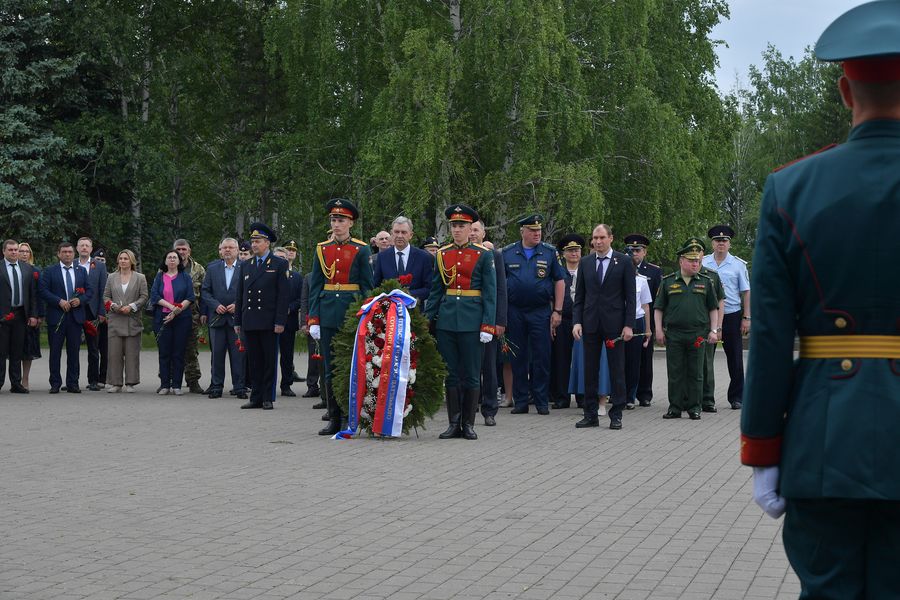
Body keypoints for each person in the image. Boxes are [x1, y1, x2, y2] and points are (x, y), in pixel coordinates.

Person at [743, 3, 900, 595]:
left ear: (844, 90)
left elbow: (771, 334)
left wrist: (762, 449)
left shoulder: (792, 187)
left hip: (823, 442)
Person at [425, 204, 497, 440]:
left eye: (462, 226)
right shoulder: (442, 254)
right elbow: (436, 291)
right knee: (452, 374)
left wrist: (488, 324)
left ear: (470, 228)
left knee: (472, 375)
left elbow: (490, 292)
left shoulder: (483, 255)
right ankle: (454, 423)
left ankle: (468, 423)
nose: (457, 230)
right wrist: (427, 320)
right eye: (454, 226)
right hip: (447, 321)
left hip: (472, 321)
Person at [308, 199, 374, 435]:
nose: (337, 225)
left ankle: (348, 417)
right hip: (327, 313)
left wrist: (366, 314)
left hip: (350, 312)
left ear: (351, 223)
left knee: (349, 367)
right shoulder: (321, 249)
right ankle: (333, 417)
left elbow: (367, 286)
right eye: (334, 220)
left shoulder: (361, 249)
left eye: (341, 220)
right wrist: (313, 318)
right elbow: (315, 286)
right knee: (330, 368)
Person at [572, 224, 635, 430]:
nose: (597, 242)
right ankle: (590, 414)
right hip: (590, 323)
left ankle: (616, 414)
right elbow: (579, 296)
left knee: (617, 369)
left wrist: (628, 325)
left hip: (614, 324)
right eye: (594, 238)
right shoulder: (586, 262)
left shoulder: (624, 261)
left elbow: (630, 298)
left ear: (610, 238)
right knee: (590, 370)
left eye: (601, 237)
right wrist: (577, 321)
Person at [501, 214, 565, 415]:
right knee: (517, 356)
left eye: (539, 230)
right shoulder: (508, 253)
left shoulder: (549, 252)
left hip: (540, 311)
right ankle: (520, 401)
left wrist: (558, 311)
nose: (537, 234)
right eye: (533, 230)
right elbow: (500, 285)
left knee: (542, 357)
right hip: (515, 311)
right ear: (523, 232)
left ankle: (541, 401)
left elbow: (559, 281)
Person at [653, 238, 719, 420]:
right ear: (681, 261)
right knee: (675, 372)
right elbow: (658, 308)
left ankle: (695, 407)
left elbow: (714, 308)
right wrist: (658, 330)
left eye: (697, 260)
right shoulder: (667, 282)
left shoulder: (706, 282)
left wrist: (714, 330)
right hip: (674, 333)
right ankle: (675, 407)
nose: (695, 263)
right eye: (691, 260)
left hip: (698, 333)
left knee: (696, 372)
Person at [234, 223, 289, 410]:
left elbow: (283, 296)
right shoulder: (246, 265)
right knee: (254, 360)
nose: (254, 245)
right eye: (252, 241)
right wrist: (238, 321)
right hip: (250, 319)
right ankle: (255, 396)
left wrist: (280, 320)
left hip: (269, 321)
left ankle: (267, 396)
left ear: (267, 243)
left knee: (268, 360)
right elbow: (240, 295)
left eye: (257, 241)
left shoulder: (279, 264)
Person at [701, 225, 750, 410]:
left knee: (735, 358)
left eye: (724, 241)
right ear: (712, 243)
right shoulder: (703, 263)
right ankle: (705, 396)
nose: (721, 243)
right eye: (717, 240)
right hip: (708, 316)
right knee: (706, 358)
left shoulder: (738, 265)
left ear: (729, 243)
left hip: (732, 315)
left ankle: (737, 397)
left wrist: (747, 317)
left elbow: (746, 292)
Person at [38, 242, 94, 393]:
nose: (67, 254)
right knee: (55, 351)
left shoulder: (81, 271)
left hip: (75, 318)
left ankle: (73, 383)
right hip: (56, 317)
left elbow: (89, 292)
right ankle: (55, 383)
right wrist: (59, 301)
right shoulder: (50, 271)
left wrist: (80, 300)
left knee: (74, 351)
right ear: (58, 254)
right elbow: (42, 291)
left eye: (69, 252)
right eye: (64, 252)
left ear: (73, 254)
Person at [469, 220, 507, 426]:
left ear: (484, 233)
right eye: (470, 230)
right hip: (467, 317)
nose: (472, 233)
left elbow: (501, 289)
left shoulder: (494, 255)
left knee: (489, 365)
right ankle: (470, 405)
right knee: (469, 365)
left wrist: (500, 320)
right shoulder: (460, 255)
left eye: (476, 230)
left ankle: (490, 409)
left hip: (488, 318)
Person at [200, 238, 246, 400]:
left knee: (238, 356)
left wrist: (237, 304)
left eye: (231, 247)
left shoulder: (245, 268)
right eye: (224, 248)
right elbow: (205, 291)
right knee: (217, 355)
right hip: (217, 318)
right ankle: (216, 387)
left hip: (237, 319)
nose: (227, 250)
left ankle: (239, 387)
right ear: (219, 250)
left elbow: (249, 291)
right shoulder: (212, 269)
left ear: (237, 250)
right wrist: (215, 305)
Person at [150, 250, 195, 395]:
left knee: (178, 353)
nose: (172, 260)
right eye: (169, 257)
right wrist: (170, 308)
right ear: (165, 261)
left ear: (179, 261)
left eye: (175, 257)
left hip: (182, 319)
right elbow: (155, 296)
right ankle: (164, 385)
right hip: (162, 319)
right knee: (164, 353)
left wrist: (177, 311)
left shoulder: (185, 277)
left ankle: (176, 385)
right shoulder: (159, 277)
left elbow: (190, 297)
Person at [103, 249, 148, 392]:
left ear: (132, 261)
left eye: (126, 258)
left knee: (131, 354)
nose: (123, 261)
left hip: (132, 320)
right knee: (114, 354)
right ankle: (116, 383)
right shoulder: (111, 277)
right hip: (115, 319)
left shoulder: (140, 277)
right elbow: (105, 297)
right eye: (121, 258)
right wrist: (114, 306)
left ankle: (130, 382)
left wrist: (132, 306)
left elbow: (144, 296)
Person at [624, 234, 662, 407]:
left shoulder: (653, 271)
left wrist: (653, 326)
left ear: (644, 252)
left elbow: (655, 301)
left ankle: (644, 393)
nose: (634, 253)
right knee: (626, 359)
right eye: (631, 250)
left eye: (638, 250)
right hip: (624, 320)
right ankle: (624, 392)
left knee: (645, 360)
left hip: (646, 319)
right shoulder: (621, 268)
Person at [1, 239, 39, 394]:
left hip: (21, 315)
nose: (14, 252)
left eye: (16, 249)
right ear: (4, 251)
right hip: (2, 315)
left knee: (17, 351)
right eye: (10, 250)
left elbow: (33, 295)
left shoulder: (27, 269)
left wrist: (33, 315)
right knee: (1, 351)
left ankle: (16, 383)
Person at [550, 234, 583, 409]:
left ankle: (582, 397)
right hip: (562, 321)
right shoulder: (558, 272)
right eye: (570, 251)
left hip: (581, 322)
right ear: (563, 254)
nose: (574, 254)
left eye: (577, 250)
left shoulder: (586, 270)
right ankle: (561, 397)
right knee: (561, 360)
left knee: (581, 360)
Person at [373, 216, 434, 306]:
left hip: (416, 313)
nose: (399, 236)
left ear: (411, 235)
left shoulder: (423, 257)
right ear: (391, 233)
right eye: (396, 232)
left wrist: (407, 295)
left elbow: (430, 288)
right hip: (389, 312)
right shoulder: (382, 257)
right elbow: (376, 286)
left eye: (404, 232)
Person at [173, 238, 206, 394]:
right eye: (178, 249)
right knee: (170, 348)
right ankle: (170, 380)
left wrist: (203, 313)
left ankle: (193, 381)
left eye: (183, 249)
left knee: (191, 349)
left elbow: (205, 293)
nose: (181, 252)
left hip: (192, 314)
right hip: (171, 314)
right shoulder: (166, 267)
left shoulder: (198, 269)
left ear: (189, 251)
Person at [76, 237, 108, 391]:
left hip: (93, 311)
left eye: (87, 245)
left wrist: (102, 311)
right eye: (81, 245)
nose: (84, 248)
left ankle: (93, 380)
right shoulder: (72, 264)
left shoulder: (99, 266)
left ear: (91, 248)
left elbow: (103, 290)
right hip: (75, 310)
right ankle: (72, 380)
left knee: (93, 348)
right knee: (73, 347)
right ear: (77, 248)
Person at [272, 246, 302, 397]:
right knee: (268, 355)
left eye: (282, 258)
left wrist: (289, 308)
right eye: (276, 257)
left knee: (287, 355)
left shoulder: (296, 277)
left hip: (288, 321)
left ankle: (286, 385)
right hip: (269, 321)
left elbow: (300, 299)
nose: (280, 260)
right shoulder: (267, 274)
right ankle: (267, 385)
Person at [624, 255, 653, 409]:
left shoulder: (641, 280)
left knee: (633, 362)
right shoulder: (616, 280)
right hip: (618, 322)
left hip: (637, 321)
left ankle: (630, 396)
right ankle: (618, 394)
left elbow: (646, 306)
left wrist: (648, 330)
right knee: (618, 361)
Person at [16, 242, 42, 390]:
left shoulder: (35, 271)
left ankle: (25, 379)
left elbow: (38, 295)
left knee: (28, 349)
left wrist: (38, 315)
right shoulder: (8, 269)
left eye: (27, 251)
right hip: (14, 313)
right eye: (21, 251)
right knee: (14, 348)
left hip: (30, 315)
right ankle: (15, 379)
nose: (24, 254)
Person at [298, 269, 321, 401]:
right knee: (313, 355)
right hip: (313, 320)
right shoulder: (309, 276)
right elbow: (304, 301)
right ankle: (312, 385)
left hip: (328, 319)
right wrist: (304, 323)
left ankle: (325, 387)